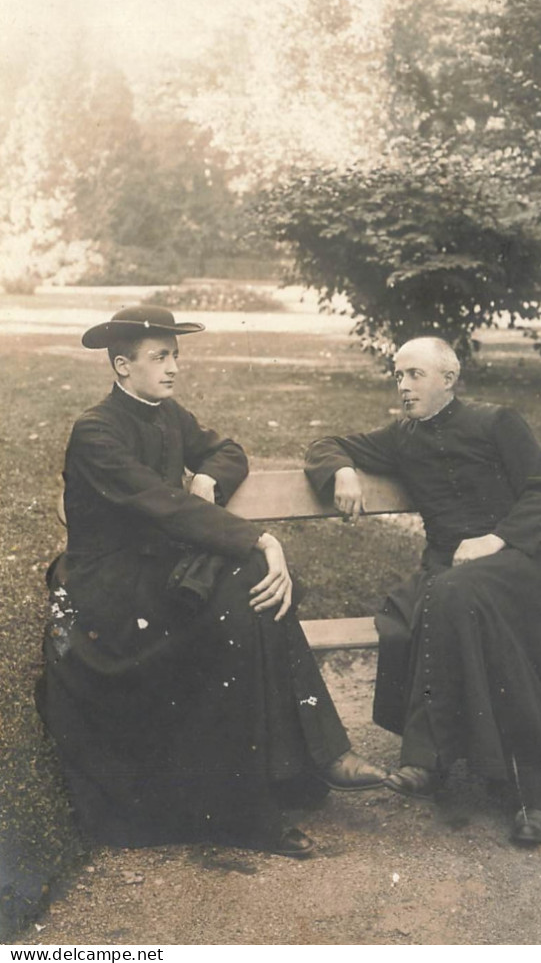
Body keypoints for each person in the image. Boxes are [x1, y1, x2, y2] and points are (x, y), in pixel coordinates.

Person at [36, 304, 385, 858]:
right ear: (122, 367)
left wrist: (206, 477)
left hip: (152, 573)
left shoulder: (167, 412)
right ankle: (278, 786)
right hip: (105, 592)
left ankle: (282, 778)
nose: (173, 367)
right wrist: (261, 539)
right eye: (159, 358)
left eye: (175, 356)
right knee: (243, 589)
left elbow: (228, 450)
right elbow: (160, 506)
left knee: (246, 593)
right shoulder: (96, 430)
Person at [304, 336, 541, 845]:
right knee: (430, 601)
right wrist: (341, 470)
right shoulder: (403, 437)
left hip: (524, 560)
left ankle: (509, 784)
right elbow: (324, 444)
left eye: (414, 375)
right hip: (454, 571)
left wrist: (494, 539)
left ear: (447, 380)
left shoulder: (497, 422)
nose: (403, 386)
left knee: (451, 596)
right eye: (398, 375)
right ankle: (444, 759)